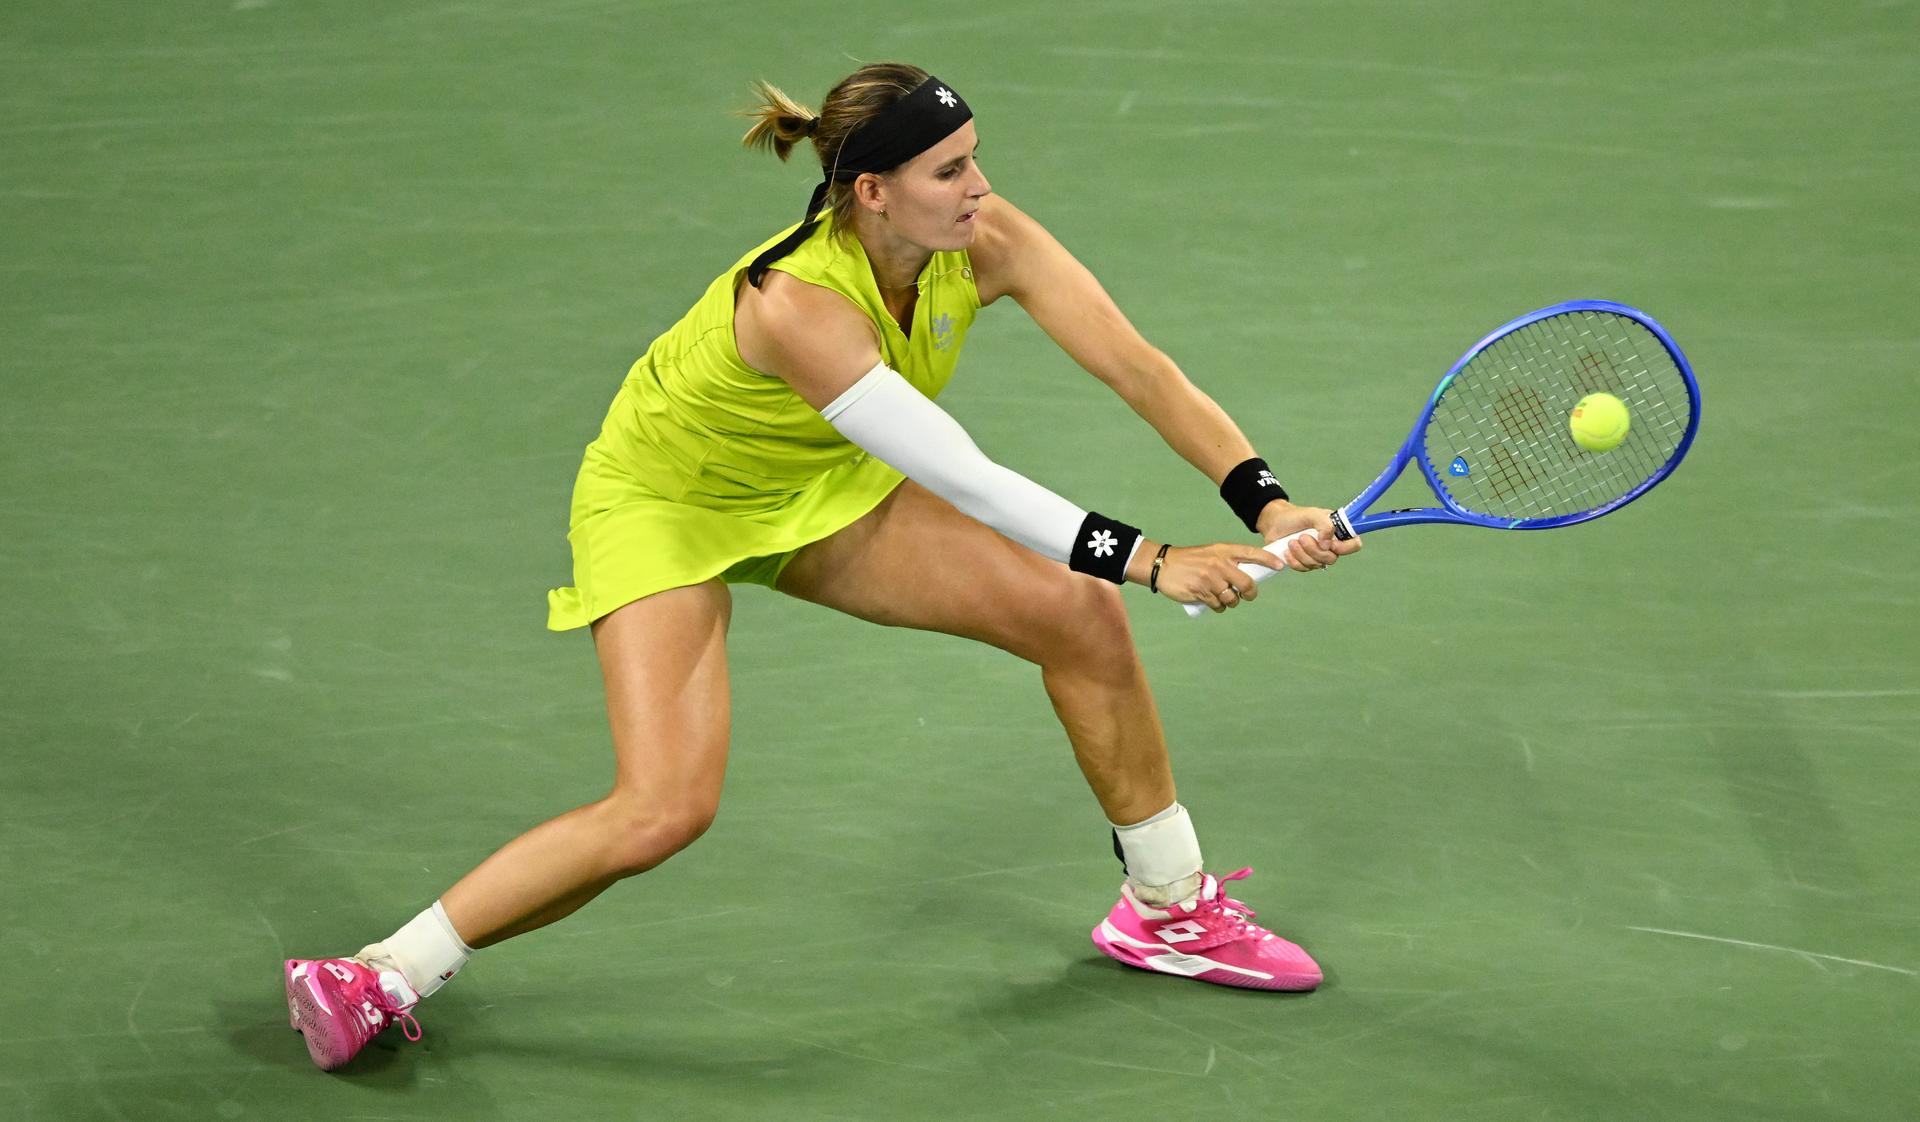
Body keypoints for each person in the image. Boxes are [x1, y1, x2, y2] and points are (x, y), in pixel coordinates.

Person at [283, 62, 1362, 1072]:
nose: (979, 187)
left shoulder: (986, 237)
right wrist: (1152, 558)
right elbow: (969, 477)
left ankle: (1168, 908)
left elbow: (1139, 366)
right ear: (871, 194)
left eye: (978, 157)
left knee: (1077, 617)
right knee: (664, 807)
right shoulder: (796, 303)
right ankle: (382, 972)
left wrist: (1263, 500)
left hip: (821, 485)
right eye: (950, 171)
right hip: (668, 503)